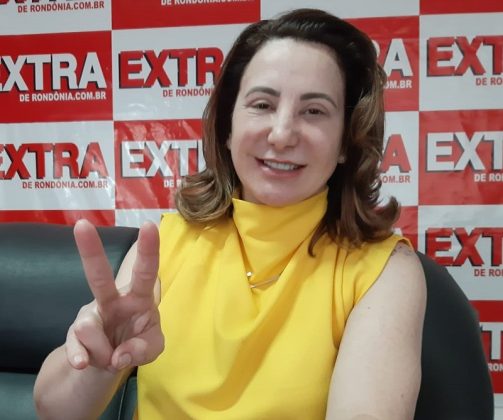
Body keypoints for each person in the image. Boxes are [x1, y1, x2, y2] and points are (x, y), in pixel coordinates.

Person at [34, 8, 426, 420]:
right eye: (262, 104)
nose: (281, 134)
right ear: (228, 127)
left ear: (346, 141)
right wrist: (101, 361)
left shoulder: (385, 269)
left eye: (314, 111)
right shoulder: (170, 241)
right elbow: (55, 412)